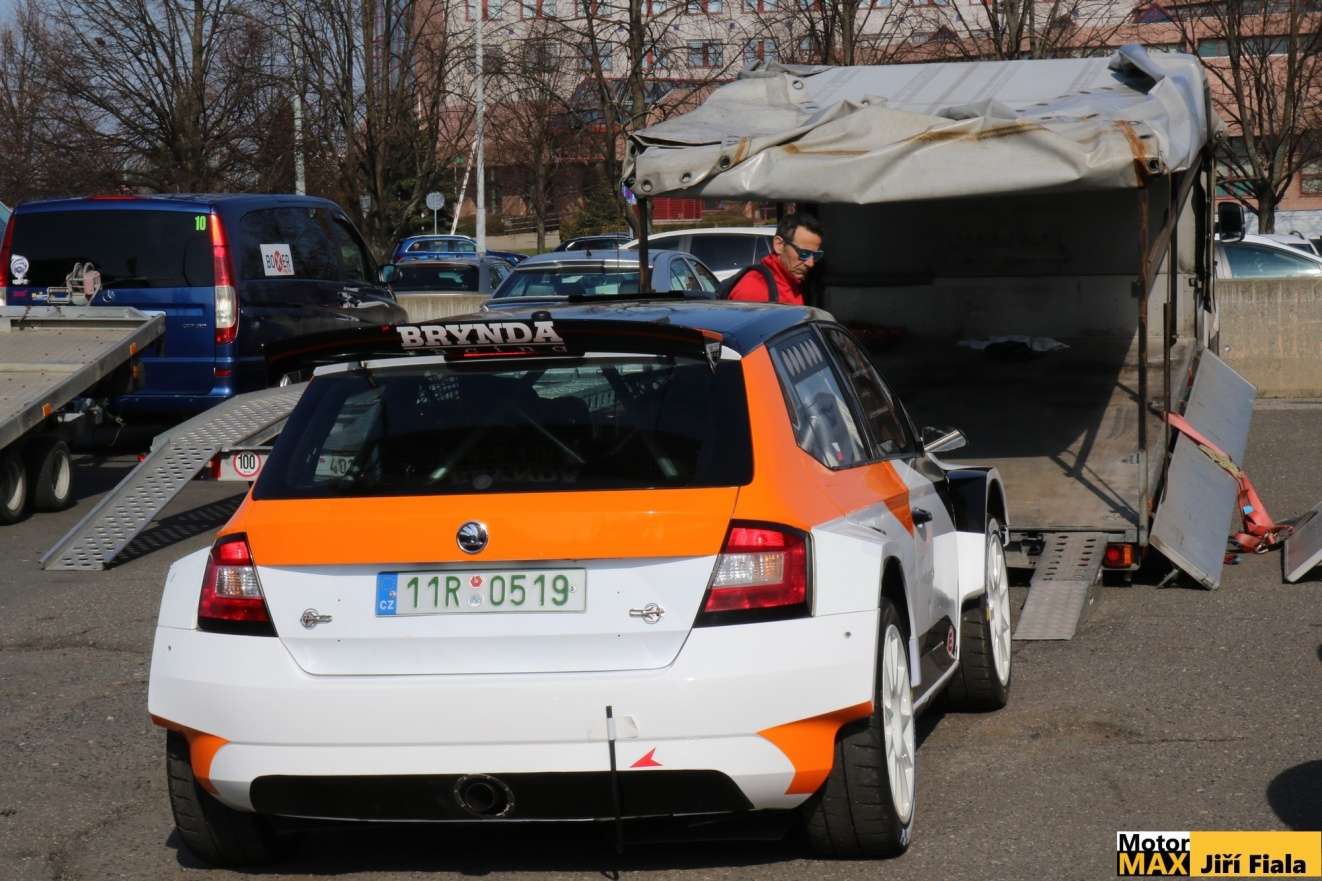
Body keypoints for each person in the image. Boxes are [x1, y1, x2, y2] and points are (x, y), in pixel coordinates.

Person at [727, 212, 824, 305]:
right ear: (779, 245)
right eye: (804, 253)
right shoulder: (753, 290)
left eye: (815, 255)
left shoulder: (793, 281)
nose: (810, 263)